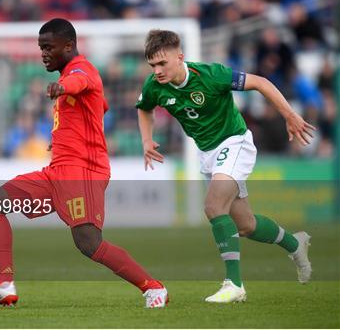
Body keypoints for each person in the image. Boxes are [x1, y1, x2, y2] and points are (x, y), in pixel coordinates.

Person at [0, 18, 168, 309]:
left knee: (89, 243)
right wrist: (64, 135)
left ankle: (153, 287)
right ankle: (3, 284)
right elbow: (100, 104)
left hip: (82, 171)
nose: (43, 54)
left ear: (69, 45)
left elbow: (80, 83)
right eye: (40, 48)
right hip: (57, 169)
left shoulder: (80, 70)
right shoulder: (70, 75)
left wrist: (62, 89)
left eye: (48, 47)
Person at [135, 30, 314, 303]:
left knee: (213, 207)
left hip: (234, 142)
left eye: (163, 64)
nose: (157, 71)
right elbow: (144, 108)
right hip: (208, 153)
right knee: (246, 225)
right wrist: (147, 140)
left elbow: (261, 83)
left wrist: (289, 115)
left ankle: (235, 285)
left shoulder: (211, 74)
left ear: (180, 57)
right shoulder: (154, 86)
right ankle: (294, 243)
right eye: (153, 66)